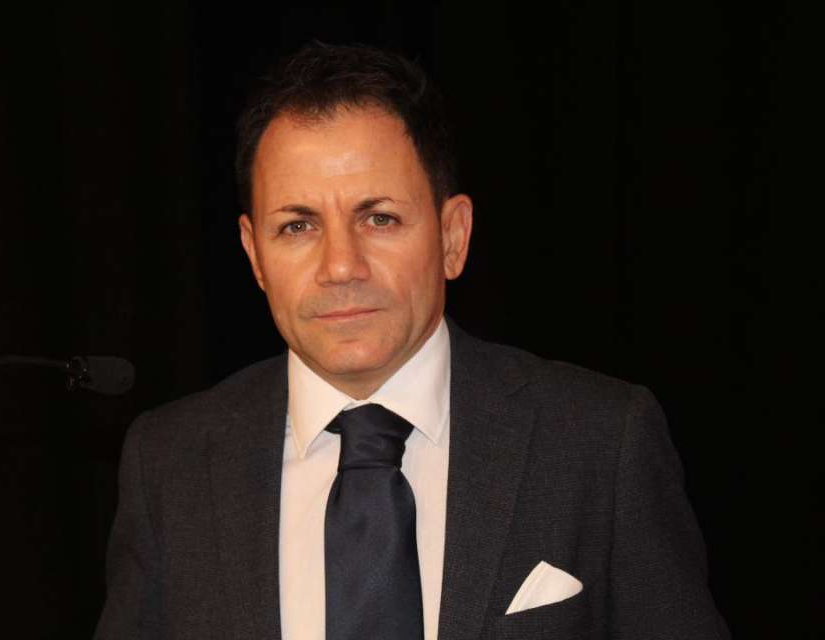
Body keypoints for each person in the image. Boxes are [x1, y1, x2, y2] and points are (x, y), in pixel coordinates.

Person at [94, 41, 729, 640]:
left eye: (379, 218)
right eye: (297, 226)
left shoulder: (600, 441)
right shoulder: (169, 464)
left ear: (453, 236)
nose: (340, 266)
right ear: (254, 254)